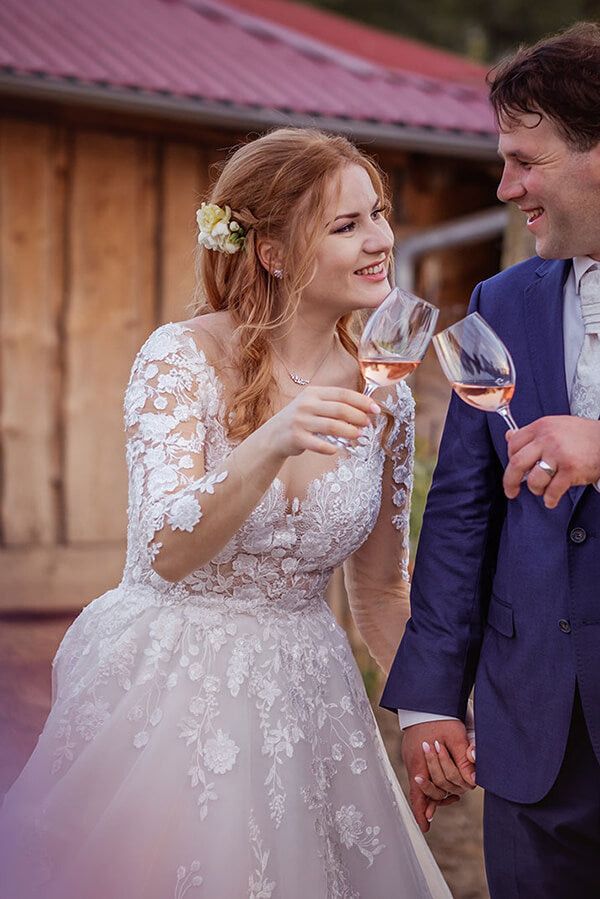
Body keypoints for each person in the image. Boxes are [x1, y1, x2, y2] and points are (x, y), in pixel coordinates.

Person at [0, 127, 451, 898]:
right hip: (173, 686)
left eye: (378, 213)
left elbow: (379, 593)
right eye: (346, 225)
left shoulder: (390, 394)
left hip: (310, 693)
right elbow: (165, 547)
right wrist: (269, 441)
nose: (380, 240)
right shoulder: (180, 358)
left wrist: (427, 717)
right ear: (271, 252)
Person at [381, 21, 600, 899]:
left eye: (525, 160)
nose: (506, 187)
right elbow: (463, 512)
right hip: (532, 736)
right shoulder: (495, 300)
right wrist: (430, 699)